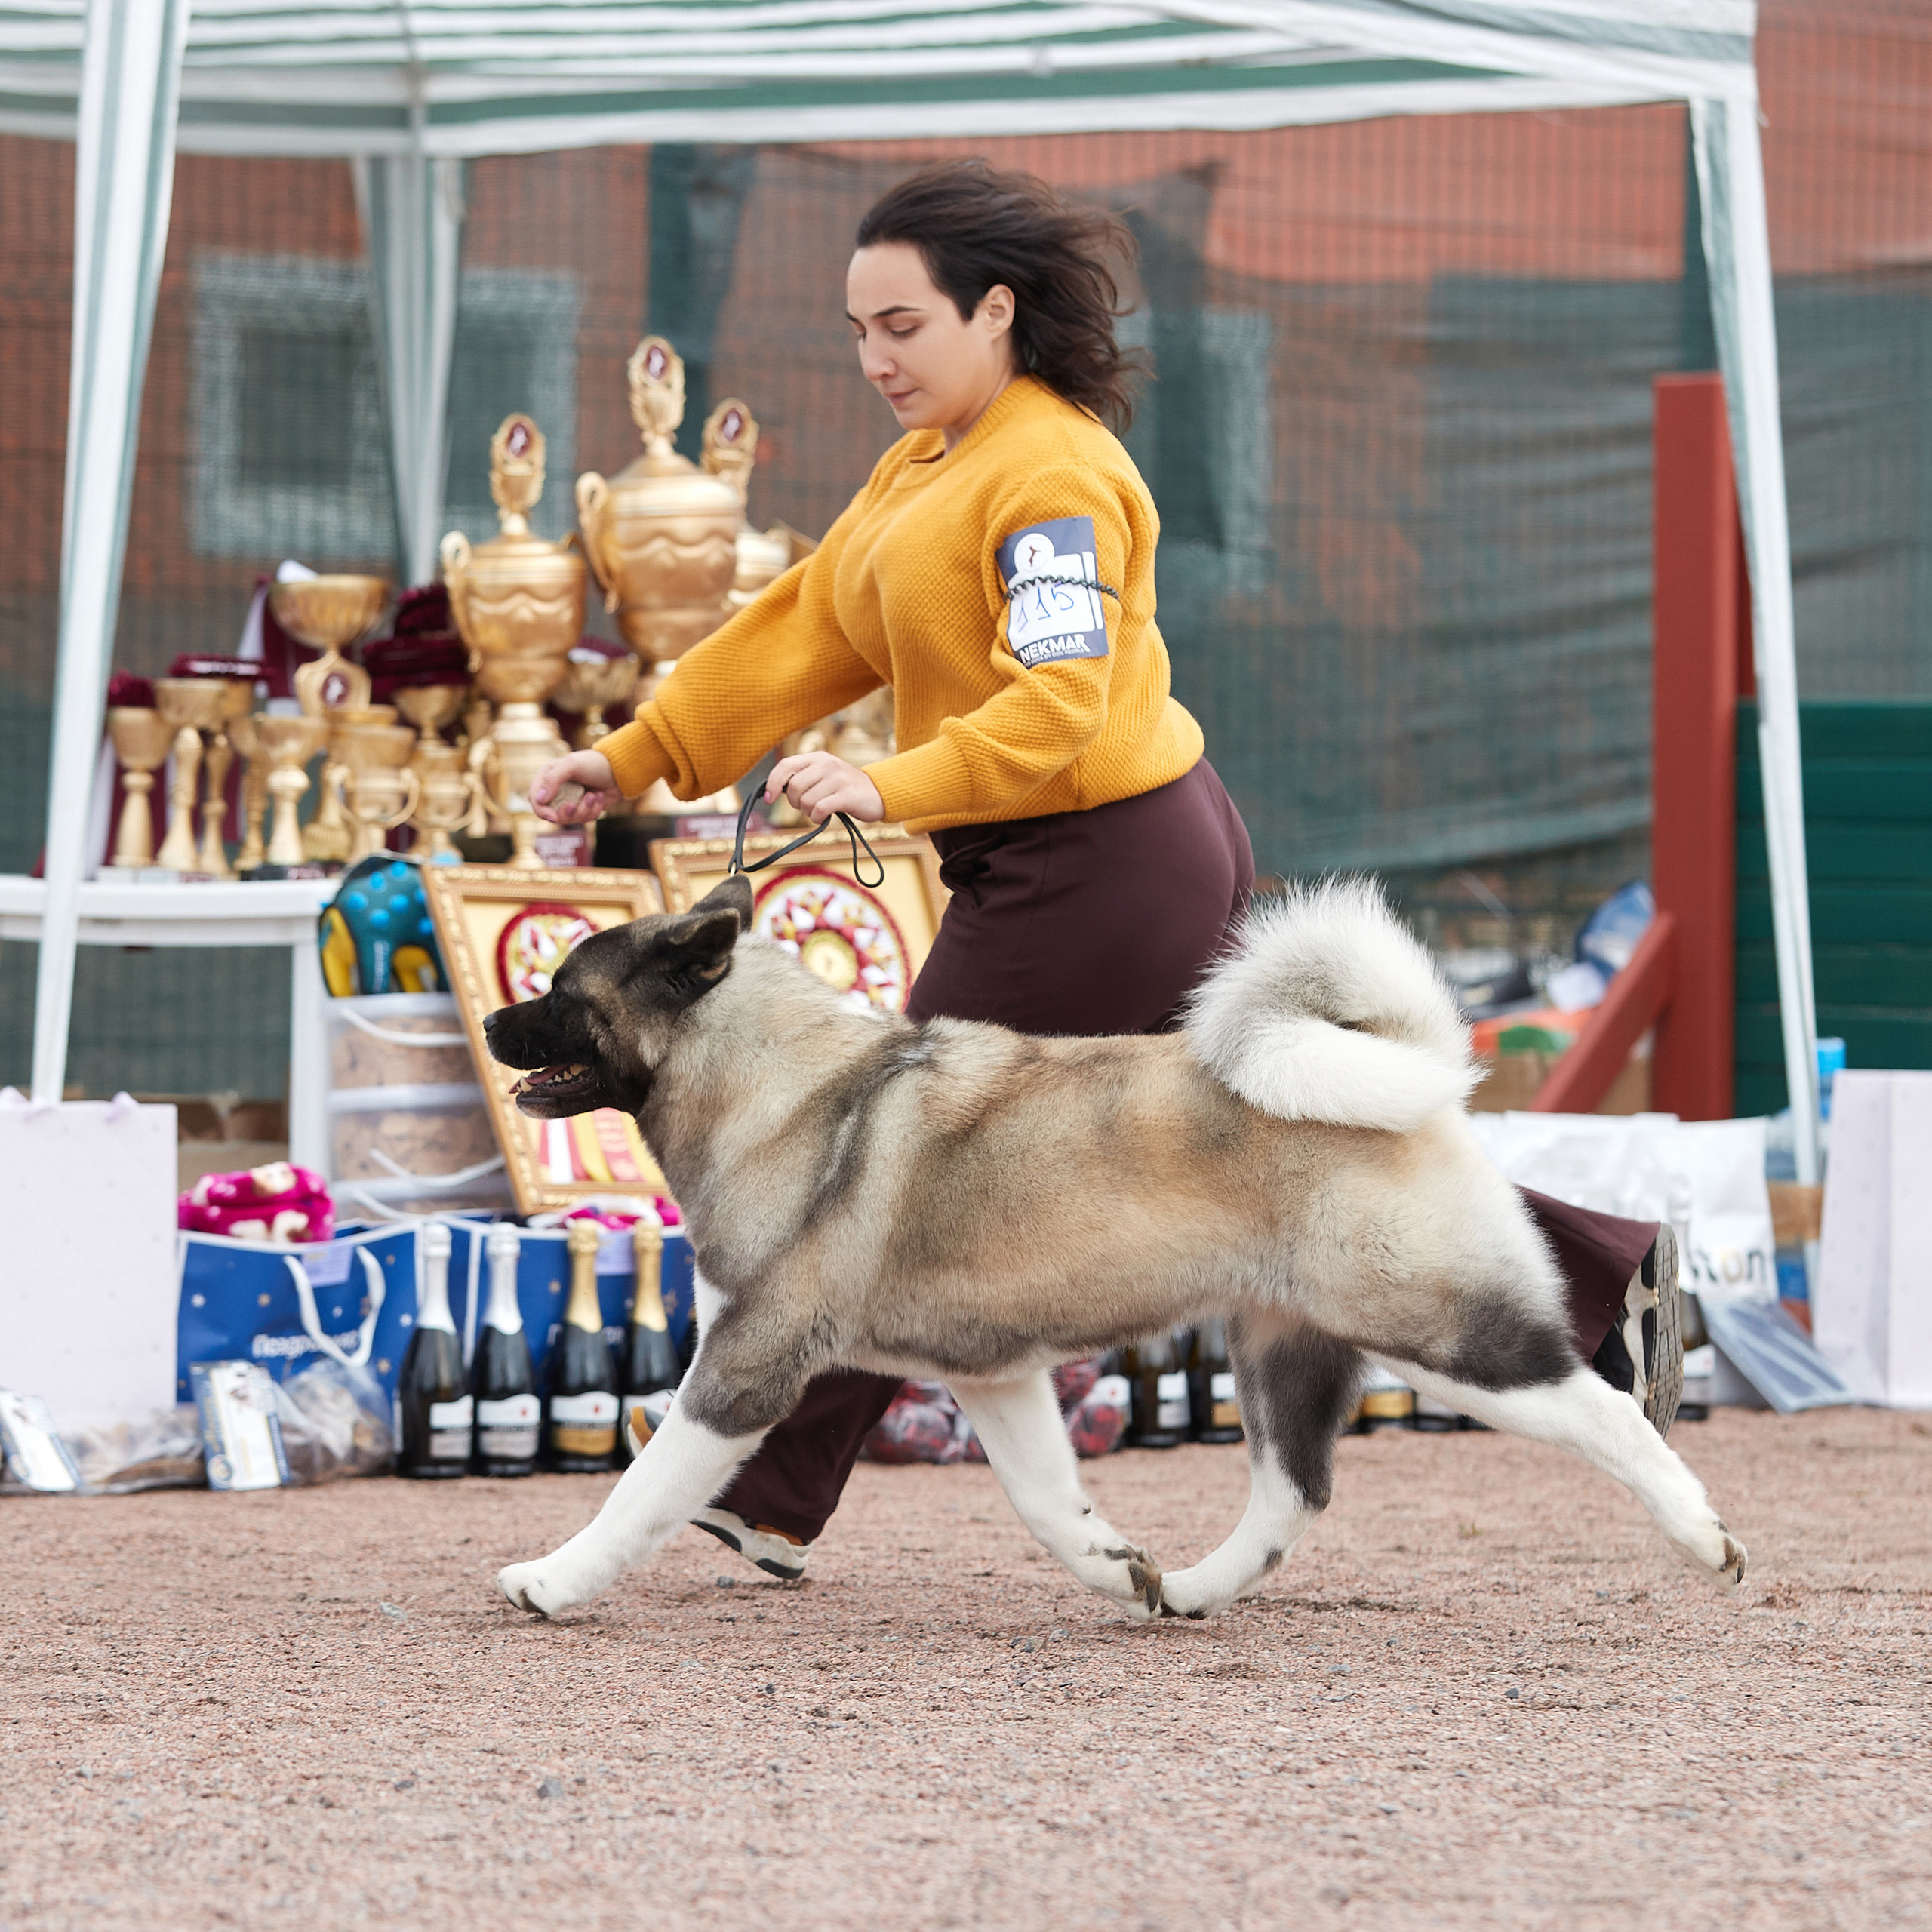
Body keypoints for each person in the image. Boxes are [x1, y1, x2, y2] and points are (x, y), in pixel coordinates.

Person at [530, 158, 1681, 1580]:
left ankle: (762, 1477)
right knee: (1263, 1137)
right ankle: (1601, 1284)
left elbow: (1061, 707)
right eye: (860, 330)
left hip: (1104, 861)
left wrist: (885, 783)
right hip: (1089, 851)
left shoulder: (1056, 473)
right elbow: (805, 626)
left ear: (995, 311)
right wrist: (634, 756)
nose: (877, 357)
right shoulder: (926, 461)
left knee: (885, 1155)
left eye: (904, 325)